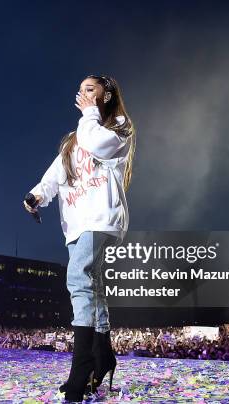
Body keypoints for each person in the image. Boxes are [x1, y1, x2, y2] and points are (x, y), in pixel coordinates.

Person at [23, 74, 136, 402]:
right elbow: (57, 173)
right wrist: (36, 195)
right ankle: (103, 356)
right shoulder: (77, 136)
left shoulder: (118, 126)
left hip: (98, 216)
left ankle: (82, 365)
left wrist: (89, 114)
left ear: (107, 92)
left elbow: (96, 143)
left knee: (78, 279)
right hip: (76, 221)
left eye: (91, 89)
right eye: (81, 90)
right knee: (94, 286)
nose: (83, 95)